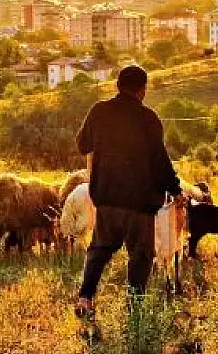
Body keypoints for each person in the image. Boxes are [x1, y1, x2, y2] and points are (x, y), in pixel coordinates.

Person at [75, 65, 182, 319]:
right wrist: (175, 188)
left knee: (99, 249)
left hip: (107, 198)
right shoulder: (148, 118)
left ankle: (85, 299)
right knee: (141, 255)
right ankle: (134, 309)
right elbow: (160, 160)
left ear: (117, 86)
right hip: (140, 203)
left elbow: (82, 145)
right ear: (143, 89)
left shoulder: (99, 111)